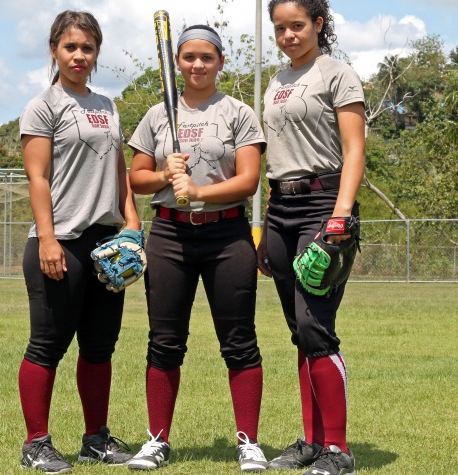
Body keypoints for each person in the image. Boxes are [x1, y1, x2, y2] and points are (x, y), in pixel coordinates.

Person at [126, 24, 268, 473]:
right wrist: (168, 177)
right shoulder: (155, 115)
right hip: (170, 235)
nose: (197, 65)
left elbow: (249, 181)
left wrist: (202, 192)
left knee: (239, 342)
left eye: (207, 57)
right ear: (177, 63)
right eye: (188, 57)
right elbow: (136, 178)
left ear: (221, 62)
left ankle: (248, 442)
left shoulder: (238, 112)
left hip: (227, 236)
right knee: (165, 342)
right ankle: (157, 440)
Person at [17, 10, 141, 474]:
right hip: (61, 242)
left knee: (99, 346)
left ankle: (95, 439)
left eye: (87, 48)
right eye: (70, 47)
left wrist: (131, 221)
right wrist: (47, 239)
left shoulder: (107, 105)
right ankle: (36, 443)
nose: (79, 56)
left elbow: (118, 171)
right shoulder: (43, 106)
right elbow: (38, 177)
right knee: (47, 345)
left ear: (96, 53)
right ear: (54, 50)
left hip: (106, 243)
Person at [257, 1, 366, 475]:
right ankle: (312, 441)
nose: (288, 35)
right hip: (280, 208)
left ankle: (337, 448)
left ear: (318, 24)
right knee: (300, 333)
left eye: (297, 26)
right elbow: (274, 160)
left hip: (323, 205)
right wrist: (265, 227)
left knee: (315, 326)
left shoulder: (336, 73)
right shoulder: (275, 82)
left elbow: (354, 147)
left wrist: (341, 214)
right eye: (280, 28)